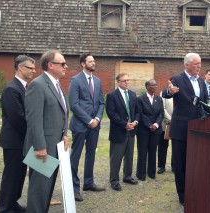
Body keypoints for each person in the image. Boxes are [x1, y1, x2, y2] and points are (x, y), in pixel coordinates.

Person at [24, 50, 69, 212]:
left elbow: (62, 113)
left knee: (47, 190)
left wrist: (65, 134)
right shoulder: (38, 85)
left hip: (56, 146)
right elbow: (34, 120)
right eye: (62, 63)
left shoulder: (56, 84)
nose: (66, 66)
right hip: (42, 149)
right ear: (51, 65)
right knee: (39, 192)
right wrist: (40, 146)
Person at [162, 53, 208, 205]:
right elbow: (165, 93)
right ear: (187, 65)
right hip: (181, 129)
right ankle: (183, 196)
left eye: (200, 63)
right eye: (196, 64)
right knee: (180, 164)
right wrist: (170, 91)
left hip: (198, 129)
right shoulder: (177, 79)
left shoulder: (201, 81)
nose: (199, 66)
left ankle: (194, 190)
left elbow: (205, 103)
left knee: (194, 163)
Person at [0, 55, 35, 213]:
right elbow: (17, 117)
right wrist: (33, 133)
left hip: (22, 141)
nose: (33, 71)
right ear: (20, 67)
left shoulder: (24, 87)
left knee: (19, 176)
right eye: (30, 68)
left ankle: (13, 203)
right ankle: (5, 208)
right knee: (11, 176)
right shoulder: (11, 88)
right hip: (13, 141)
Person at [68, 53, 105, 202]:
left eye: (94, 61)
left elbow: (101, 102)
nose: (93, 63)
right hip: (80, 125)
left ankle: (88, 183)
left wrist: (97, 118)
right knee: (75, 156)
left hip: (95, 126)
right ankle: (74, 188)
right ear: (83, 64)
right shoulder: (75, 80)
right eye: (90, 61)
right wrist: (89, 120)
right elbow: (74, 104)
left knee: (91, 154)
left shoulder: (97, 80)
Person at [106, 73, 140, 191]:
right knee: (116, 157)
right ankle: (114, 180)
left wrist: (135, 122)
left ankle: (127, 176)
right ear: (118, 82)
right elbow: (111, 114)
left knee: (129, 155)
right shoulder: (112, 96)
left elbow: (137, 111)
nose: (127, 82)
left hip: (131, 131)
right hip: (119, 131)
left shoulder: (132, 94)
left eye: (128, 80)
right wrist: (124, 124)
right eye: (124, 80)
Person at [136, 79, 164, 181]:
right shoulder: (140, 99)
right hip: (143, 130)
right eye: (153, 85)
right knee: (142, 152)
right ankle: (141, 174)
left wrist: (156, 124)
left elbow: (161, 113)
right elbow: (140, 113)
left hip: (156, 130)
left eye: (156, 85)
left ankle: (151, 173)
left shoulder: (159, 99)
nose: (156, 87)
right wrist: (149, 125)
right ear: (147, 86)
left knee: (153, 151)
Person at [157, 91, 174, 174]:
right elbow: (162, 108)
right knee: (162, 146)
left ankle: (174, 166)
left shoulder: (182, 92)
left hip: (178, 123)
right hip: (165, 123)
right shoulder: (164, 93)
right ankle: (161, 166)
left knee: (176, 146)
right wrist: (170, 119)